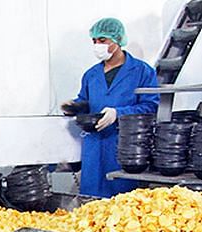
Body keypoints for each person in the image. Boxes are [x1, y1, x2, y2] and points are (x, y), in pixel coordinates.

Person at [62, 17, 159, 198]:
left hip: (125, 145)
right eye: (94, 41)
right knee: (90, 203)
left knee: (122, 203)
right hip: (94, 145)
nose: (97, 45)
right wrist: (75, 107)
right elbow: (85, 102)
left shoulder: (142, 71)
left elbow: (150, 107)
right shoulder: (91, 75)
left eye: (102, 40)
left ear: (117, 40)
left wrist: (118, 113)